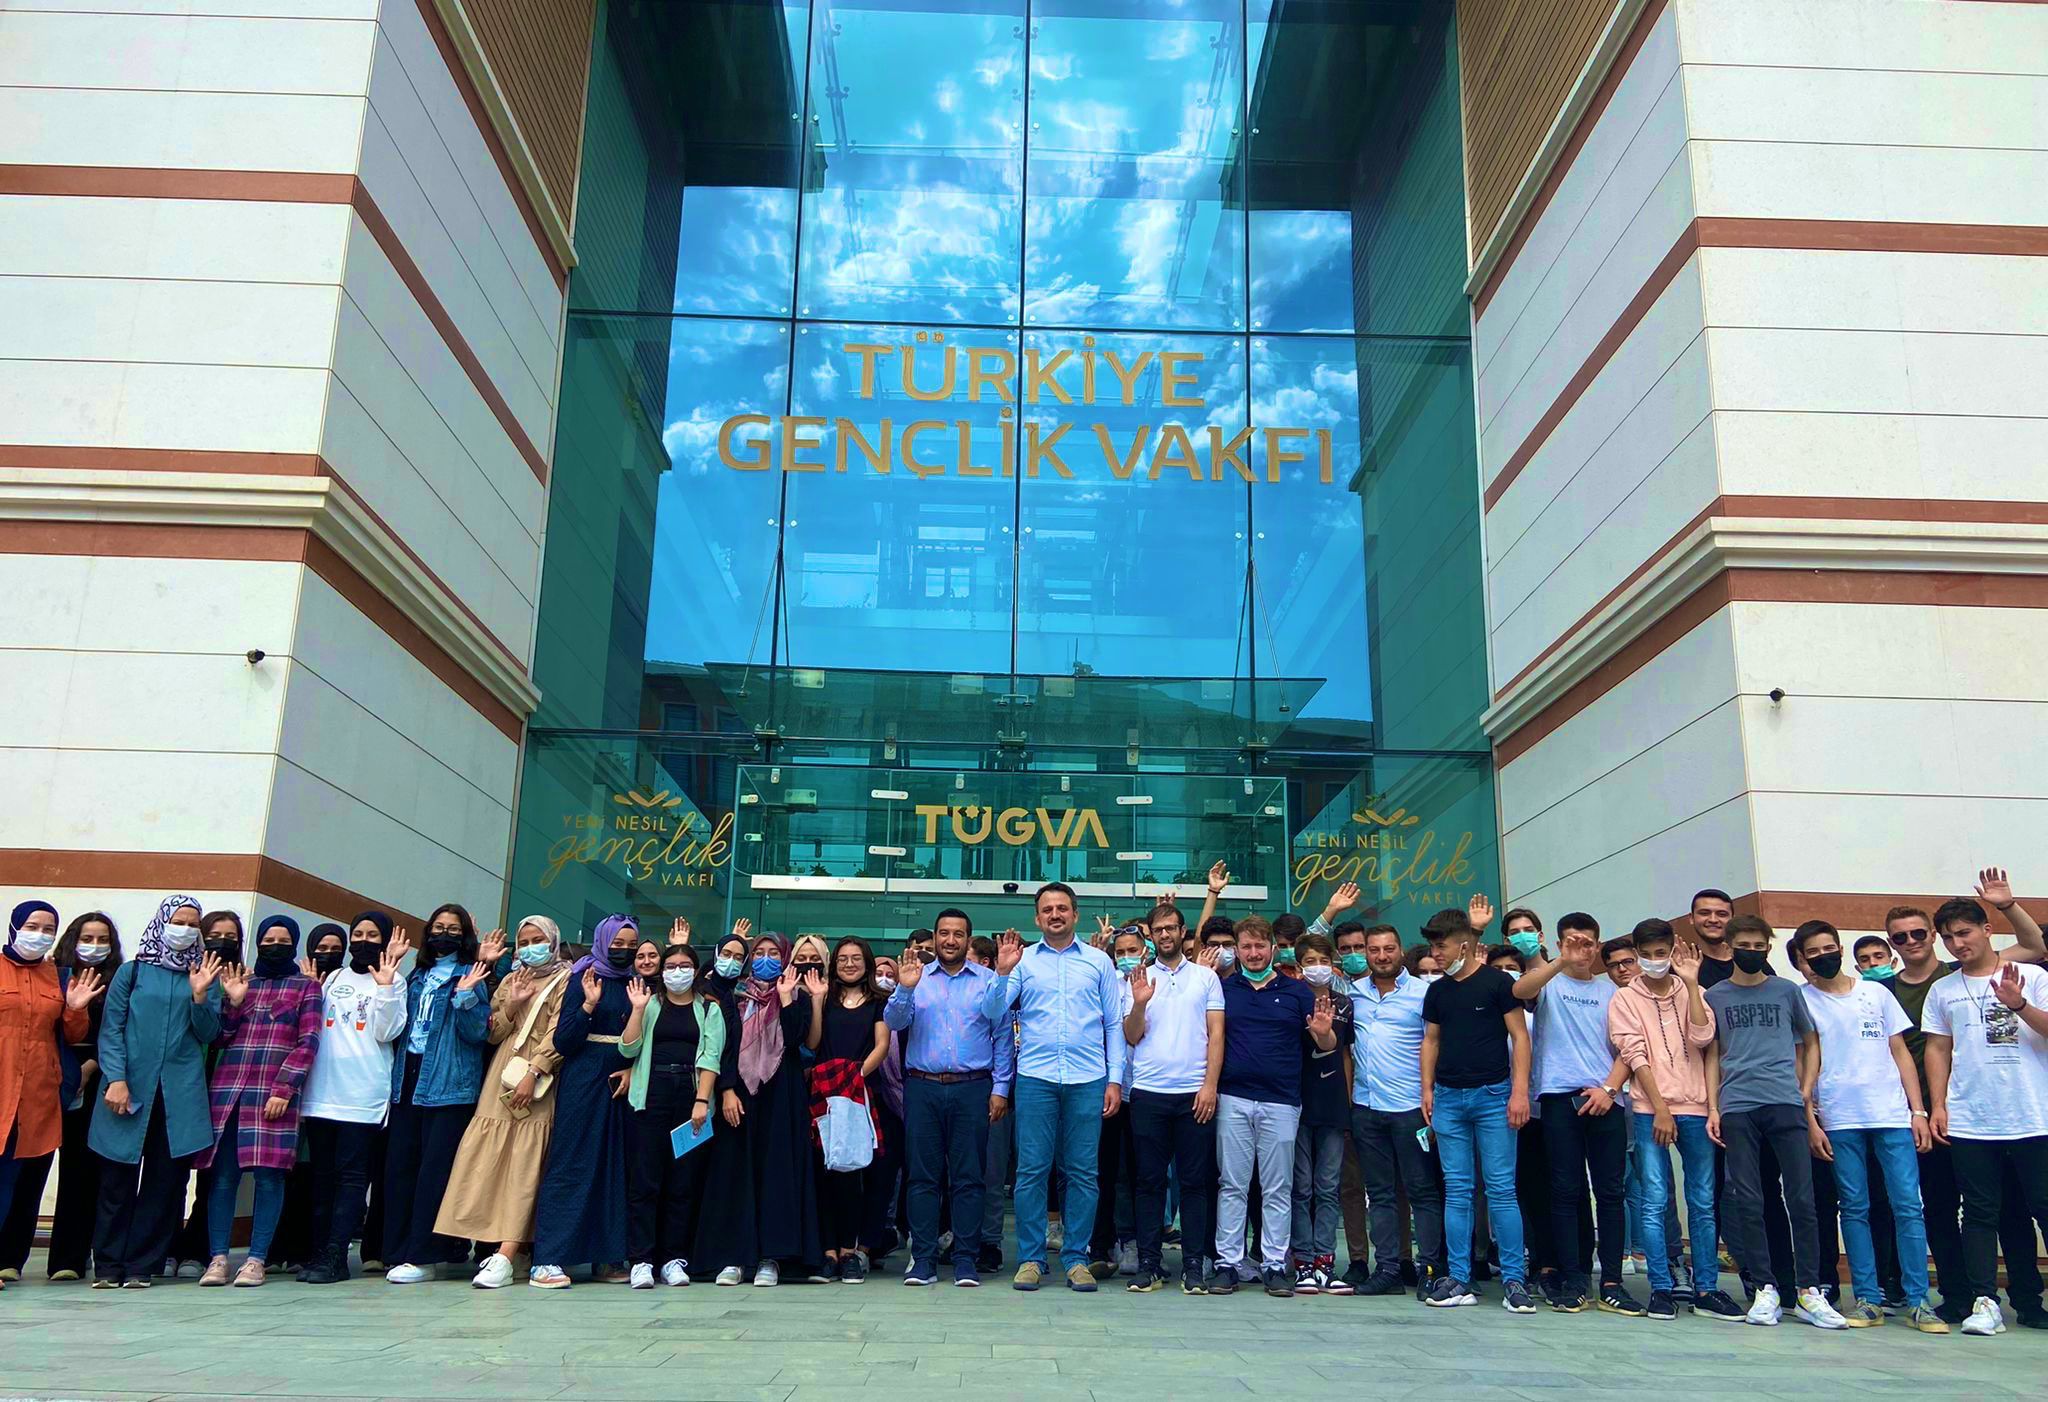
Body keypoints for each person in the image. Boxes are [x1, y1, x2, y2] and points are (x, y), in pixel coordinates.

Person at [1790, 919, 1944, 1332]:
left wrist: (1918, 1111)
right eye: (1813, 952)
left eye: (1829, 948)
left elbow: (1900, 1051)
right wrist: (1810, 1120)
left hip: (1891, 1114)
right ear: (1802, 958)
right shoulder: (1801, 1000)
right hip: (1838, 1117)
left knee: (1908, 1206)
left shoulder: (1876, 993)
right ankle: (1868, 1300)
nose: (1823, 956)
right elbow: (1803, 1062)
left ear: (1840, 949)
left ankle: (1919, 1301)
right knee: (1854, 1208)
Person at [1703, 914, 1842, 1328]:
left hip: (1785, 1102)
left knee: (1802, 1198)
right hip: (1737, 1106)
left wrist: (1806, 1089)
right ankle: (1766, 1288)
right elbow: (1712, 1053)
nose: (1752, 952)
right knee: (1749, 1199)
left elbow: (1810, 1040)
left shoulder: (1786, 990)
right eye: (1744, 945)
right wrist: (1713, 1107)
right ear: (1730, 947)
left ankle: (1809, 1291)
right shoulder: (1715, 995)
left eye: (1759, 946)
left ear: (1768, 947)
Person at [1923, 895, 2048, 1338]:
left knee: (2042, 1208)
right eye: (1949, 937)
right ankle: (1984, 1302)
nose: (1958, 943)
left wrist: (2019, 1004)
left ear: (1986, 930)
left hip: (2033, 1116)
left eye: (1965, 932)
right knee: (1978, 1213)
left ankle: (2030, 1303)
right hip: (1972, 1120)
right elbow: (1938, 1048)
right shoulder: (1943, 989)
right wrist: (1938, 1105)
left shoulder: (2031, 975)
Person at [1607, 921, 1739, 1320]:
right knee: (1654, 1199)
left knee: (1702, 1201)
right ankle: (1661, 1288)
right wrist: (1661, 1108)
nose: (1654, 960)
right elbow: (1634, 1054)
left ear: (1672, 951)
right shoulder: (1625, 999)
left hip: (1697, 1107)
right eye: (1647, 954)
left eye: (1661, 953)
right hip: (1651, 1110)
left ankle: (1707, 1288)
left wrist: (1692, 983)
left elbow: (1703, 1038)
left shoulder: (1693, 991)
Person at [88, 895, 222, 1287]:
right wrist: (115, 1078)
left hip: (179, 1094)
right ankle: (108, 1265)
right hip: (128, 1088)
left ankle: (141, 1265)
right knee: (116, 1180)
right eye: (178, 921)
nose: (185, 929)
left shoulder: (203, 974)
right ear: (162, 922)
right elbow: (111, 1029)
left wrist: (200, 996)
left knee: (164, 1185)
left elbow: (209, 1034)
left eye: (193, 924)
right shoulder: (132, 972)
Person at [436, 915, 574, 1288]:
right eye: (523, 941)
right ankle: (497, 1246)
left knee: (527, 1165)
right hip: (503, 1072)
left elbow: (559, 1032)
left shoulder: (567, 979)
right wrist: (512, 1004)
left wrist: (535, 1072)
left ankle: (508, 1253)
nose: (530, 947)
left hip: (540, 1078)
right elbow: (493, 1032)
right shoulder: (513, 979)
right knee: (491, 1161)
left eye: (537, 940)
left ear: (553, 941)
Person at [1512, 913, 1639, 1316]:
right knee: (1565, 1191)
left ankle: (1613, 1282)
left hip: (1606, 1099)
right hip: (1557, 1099)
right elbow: (1520, 989)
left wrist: (1609, 1089)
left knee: (1611, 1192)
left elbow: (1629, 1049)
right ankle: (1573, 1279)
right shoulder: (1548, 982)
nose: (1580, 949)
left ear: (1598, 946)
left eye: (1586, 943)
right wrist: (1561, 962)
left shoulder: (1613, 993)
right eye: (1571, 941)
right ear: (1558, 944)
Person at [887, 908, 1018, 1287]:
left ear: (967, 939)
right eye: (944, 933)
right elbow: (894, 1022)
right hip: (923, 1086)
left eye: (958, 934)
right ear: (935, 937)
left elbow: (1002, 1036)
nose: (950, 940)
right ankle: (924, 1260)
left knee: (969, 1178)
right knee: (922, 1177)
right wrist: (904, 988)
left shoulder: (989, 979)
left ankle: (965, 1260)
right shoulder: (917, 977)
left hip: (972, 1088)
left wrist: (1000, 1089)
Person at [193, 915, 321, 1287]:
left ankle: (256, 1259)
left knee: (269, 1178)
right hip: (229, 1094)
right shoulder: (243, 981)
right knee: (222, 1179)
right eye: (268, 940)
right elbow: (219, 1037)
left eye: (283, 940)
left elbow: (309, 1041)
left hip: (273, 1096)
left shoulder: (306, 987)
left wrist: (285, 1088)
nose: (274, 946)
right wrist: (233, 1003)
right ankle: (218, 1258)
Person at [1009, 882, 1124, 1293]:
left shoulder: (1099, 962)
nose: (1055, 915)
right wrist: (1003, 973)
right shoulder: (1023, 962)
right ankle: (1030, 1258)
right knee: (1031, 1171)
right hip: (1035, 1077)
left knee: (1083, 1173)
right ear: (1037, 918)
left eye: (1062, 908)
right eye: (1047, 909)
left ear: (1075, 914)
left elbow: (1114, 1023)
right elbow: (993, 1010)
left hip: (1088, 1078)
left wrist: (1114, 1079)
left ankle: (1076, 1258)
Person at [1419, 908, 1533, 1312]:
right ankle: (1459, 1278)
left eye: (1441, 946)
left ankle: (1515, 1281)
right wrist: (1427, 1090)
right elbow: (1430, 1041)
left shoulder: (1498, 983)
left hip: (1493, 1096)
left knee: (1501, 1189)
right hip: (1448, 1098)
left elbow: (1520, 1037)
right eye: (1433, 946)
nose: (1436, 953)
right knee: (1458, 1190)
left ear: (1464, 945)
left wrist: (1519, 1092)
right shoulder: (1437, 991)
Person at [1213, 914, 1331, 1297]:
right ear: (1237, 949)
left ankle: (1275, 1264)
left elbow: (1325, 1043)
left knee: (1277, 1187)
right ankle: (1228, 1263)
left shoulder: (1297, 992)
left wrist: (1325, 1035)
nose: (1253, 953)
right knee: (1232, 1184)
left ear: (1273, 949)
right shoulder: (1223, 989)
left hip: (1281, 1101)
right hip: (1232, 1097)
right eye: (1246, 946)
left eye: (1260, 946)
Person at [381, 905, 497, 1284]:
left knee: (434, 1171)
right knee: (401, 1167)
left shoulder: (471, 975)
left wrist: (465, 996)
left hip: (450, 1083)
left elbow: (477, 1033)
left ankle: (424, 1256)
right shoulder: (416, 976)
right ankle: (397, 1251)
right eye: (438, 927)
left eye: (453, 929)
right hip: (408, 1078)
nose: (443, 935)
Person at [529, 917, 641, 1287]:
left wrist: (631, 1067)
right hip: (584, 1078)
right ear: (603, 942)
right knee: (572, 1161)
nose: (624, 950)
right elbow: (564, 1041)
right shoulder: (583, 977)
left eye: (631, 944)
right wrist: (589, 1005)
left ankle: (607, 1257)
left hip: (620, 1082)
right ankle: (548, 1258)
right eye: (618, 943)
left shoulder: (636, 983)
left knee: (612, 1166)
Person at [298, 915, 408, 1283]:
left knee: (351, 1178)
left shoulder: (394, 980)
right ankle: (318, 1252)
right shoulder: (332, 978)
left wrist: (386, 988)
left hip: (362, 1097)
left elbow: (386, 1032)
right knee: (321, 1177)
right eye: (357, 934)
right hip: (321, 1093)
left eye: (372, 935)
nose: (363, 940)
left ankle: (336, 1256)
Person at [1123, 899, 1223, 1295]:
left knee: (1195, 1182)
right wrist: (1139, 1003)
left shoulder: (1205, 977)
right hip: (1148, 1093)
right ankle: (1149, 1263)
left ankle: (1194, 1265)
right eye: (1158, 929)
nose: (1165, 934)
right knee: (1149, 1182)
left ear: (1183, 932)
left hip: (1194, 1094)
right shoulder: (1138, 977)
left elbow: (1217, 1034)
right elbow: (1132, 1036)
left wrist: (1210, 1086)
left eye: (1172, 928)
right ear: (1150, 935)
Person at [0, 901, 99, 1292]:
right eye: (32, 926)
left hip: (39, 1093)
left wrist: (75, 1009)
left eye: (47, 929)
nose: (39, 935)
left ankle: (8, 1260)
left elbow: (72, 1035)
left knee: (22, 1181)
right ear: (14, 927)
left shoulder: (57, 976)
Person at [1343, 921, 1443, 1299]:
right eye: (1374, 950)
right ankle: (1387, 1269)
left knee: (1422, 1192)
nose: (1381, 956)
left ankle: (1430, 1268)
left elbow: (1435, 1044)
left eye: (1388, 949)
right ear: (1365, 953)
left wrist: (1431, 1095)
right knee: (1380, 1193)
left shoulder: (1423, 993)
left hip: (1411, 1108)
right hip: (1367, 1107)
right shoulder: (1353, 994)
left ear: (1400, 951)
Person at [620, 941, 724, 1287]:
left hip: (690, 1096)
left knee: (683, 1180)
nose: (677, 972)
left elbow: (711, 1056)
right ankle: (641, 1259)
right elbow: (628, 1048)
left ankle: (673, 1259)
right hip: (650, 1094)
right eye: (670, 966)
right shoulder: (650, 1003)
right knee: (645, 1179)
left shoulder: (708, 1008)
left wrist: (702, 1100)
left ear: (695, 970)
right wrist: (637, 1010)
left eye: (684, 966)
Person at [26, 912, 121, 1282]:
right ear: (71, 939)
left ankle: (69, 1259)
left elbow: (119, 1030)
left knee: (82, 1169)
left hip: (96, 1075)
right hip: (47, 1075)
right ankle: (9, 1256)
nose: (94, 946)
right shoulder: (51, 974)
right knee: (31, 1165)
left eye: (102, 939)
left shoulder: (119, 978)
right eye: (87, 938)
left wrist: (89, 1067)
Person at [734, 932, 825, 1286]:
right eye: (759, 952)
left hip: (783, 1091)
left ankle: (772, 1257)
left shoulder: (796, 995)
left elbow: (799, 1041)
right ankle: (738, 1255)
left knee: (778, 1171)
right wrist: (725, 1090)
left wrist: (786, 999)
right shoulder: (737, 995)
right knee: (740, 1171)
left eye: (774, 953)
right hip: (741, 1091)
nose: (766, 959)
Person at [803, 936, 890, 1282]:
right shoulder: (825, 1000)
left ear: (866, 963)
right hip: (824, 1093)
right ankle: (828, 1253)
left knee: (853, 1173)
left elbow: (882, 1045)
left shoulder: (879, 1001)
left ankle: (849, 1252)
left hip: (860, 1092)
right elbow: (812, 1042)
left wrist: (855, 1078)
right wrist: (816, 1001)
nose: (849, 964)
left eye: (856, 958)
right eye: (842, 959)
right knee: (824, 1171)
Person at [1287, 932, 1354, 1294]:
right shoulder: (1292, 998)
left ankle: (1325, 1261)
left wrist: (1348, 1099)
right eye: (1310, 961)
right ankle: (1302, 1262)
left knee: (1328, 1187)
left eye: (1323, 961)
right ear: (1299, 966)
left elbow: (1344, 1053)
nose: (1317, 968)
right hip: (1295, 1102)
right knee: (1301, 1187)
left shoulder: (1344, 1004)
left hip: (1332, 1104)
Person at [1087, 923, 1145, 1279]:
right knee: (1102, 1170)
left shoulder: (1154, 983)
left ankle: (1133, 1240)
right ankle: (1100, 1244)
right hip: (1106, 1089)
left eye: (1132, 951)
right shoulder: (1104, 984)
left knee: (1137, 1172)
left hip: (1143, 1090)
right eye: (1120, 952)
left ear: (1145, 951)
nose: (1126, 957)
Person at [972, 933, 1018, 1274]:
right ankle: (960, 1237)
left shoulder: (1003, 986)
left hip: (1001, 1090)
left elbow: (1004, 1040)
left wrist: (1000, 1088)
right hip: (964, 1086)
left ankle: (989, 1242)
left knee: (991, 1172)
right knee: (960, 1171)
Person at [1687, 890, 1739, 987]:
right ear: (1691, 918)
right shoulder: (1681, 964)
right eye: (1704, 913)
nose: (1713, 920)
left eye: (1722, 914)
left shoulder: (1748, 960)